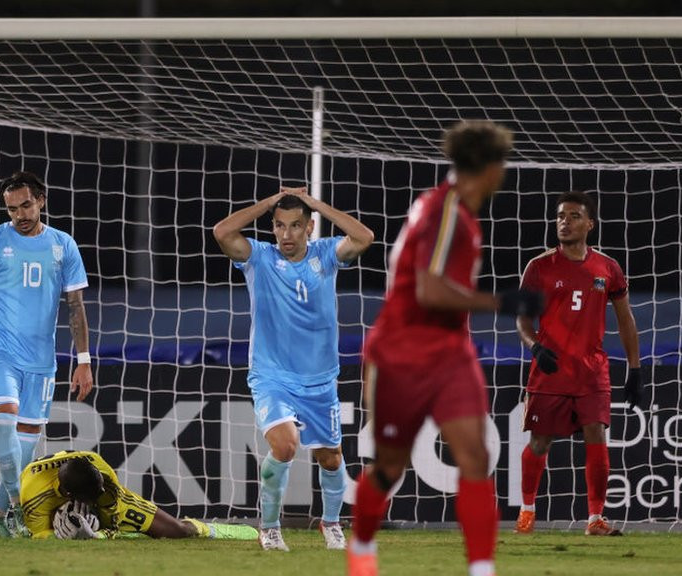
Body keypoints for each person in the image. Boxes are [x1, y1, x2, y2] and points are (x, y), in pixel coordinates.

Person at [348, 120, 542, 576]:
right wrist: (501, 301)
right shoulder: (445, 212)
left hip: (450, 351)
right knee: (389, 469)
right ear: (491, 168)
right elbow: (429, 291)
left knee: (476, 456)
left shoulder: (459, 213)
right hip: (401, 353)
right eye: (503, 165)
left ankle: (481, 569)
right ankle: (361, 547)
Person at [213, 186, 375, 552]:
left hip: (320, 379)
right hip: (272, 376)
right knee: (285, 445)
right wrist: (269, 203)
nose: (287, 235)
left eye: (296, 226)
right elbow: (222, 232)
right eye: (280, 226)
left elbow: (365, 237)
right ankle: (269, 528)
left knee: (331, 457)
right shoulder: (259, 258)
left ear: (309, 227)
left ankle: (331, 523)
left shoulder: (326, 255)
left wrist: (315, 202)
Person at [0, 171, 94, 538]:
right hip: (1, 352)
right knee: (5, 421)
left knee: (25, 441)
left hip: (42, 360)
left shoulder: (63, 245)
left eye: (25, 205)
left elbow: (76, 306)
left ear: (41, 201)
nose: (19, 214)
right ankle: (19, 509)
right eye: (11, 209)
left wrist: (84, 362)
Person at [514, 190, 642, 536]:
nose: (564, 223)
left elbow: (626, 319)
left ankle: (595, 519)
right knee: (540, 442)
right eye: (559, 216)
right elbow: (523, 321)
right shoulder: (538, 267)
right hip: (550, 370)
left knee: (596, 435)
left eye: (572, 217)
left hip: (592, 371)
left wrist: (635, 368)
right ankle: (526, 513)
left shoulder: (608, 268)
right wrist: (535, 347)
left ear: (590, 224)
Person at [19, 450, 259, 541]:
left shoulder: (101, 473)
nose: (98, 495)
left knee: (176, 531)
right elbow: (40, 535)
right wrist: (63, 536)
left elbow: (111, 519)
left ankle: (209, 529)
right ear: (70, 493)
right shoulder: (33, 495)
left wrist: (96, 535)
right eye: (91, 497)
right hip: (54, 507)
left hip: (112, 505)